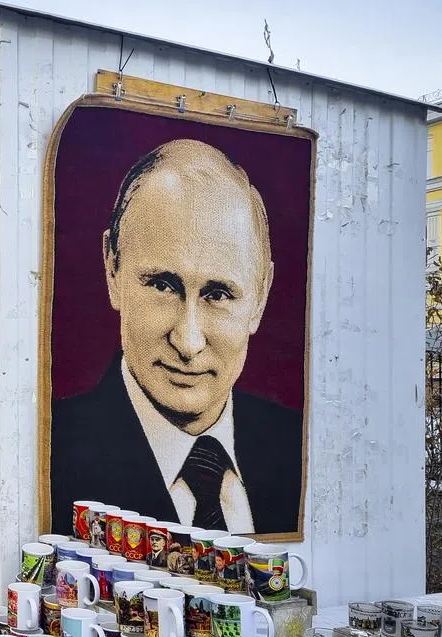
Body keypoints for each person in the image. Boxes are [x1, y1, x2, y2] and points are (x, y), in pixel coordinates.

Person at [51, 139, 302, 537]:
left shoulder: (299, 447)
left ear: (261, 295)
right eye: (163, 285)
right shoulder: (48, 455)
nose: (188, 342)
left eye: (217, 294)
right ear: (111, 269)